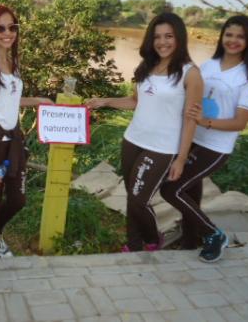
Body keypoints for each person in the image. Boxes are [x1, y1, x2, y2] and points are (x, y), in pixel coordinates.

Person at [86, 13, 202, 252]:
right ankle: (134, 244)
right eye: (157, 37)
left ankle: (153, 238)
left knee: (139, 200)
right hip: (133, 140)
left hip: (162, 148)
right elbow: (134, 101)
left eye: (169, 36)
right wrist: (105, 101)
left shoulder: (190, 73)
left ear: (180, 38)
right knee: (132, 196)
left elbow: (191, 121)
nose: (163, 42)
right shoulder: (147, 66)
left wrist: (181, 158)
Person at [160, 15, 248, 262]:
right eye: (229, 34)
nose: (233, 40)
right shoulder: (207, 66)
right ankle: (188, 242)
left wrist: (204, 121)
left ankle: (214, 234)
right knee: (189, 194)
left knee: (171, 189)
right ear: (221, 37)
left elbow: (240, 122)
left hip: (215, 147)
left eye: (240, 36)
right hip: (191, 139)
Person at [0, 5, 52, 258]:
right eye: (0, 28)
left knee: (17, 200)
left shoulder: (12, 61)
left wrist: (36, 100)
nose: (8, 33)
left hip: (13, 141)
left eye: (12, 27)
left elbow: (9, 99)